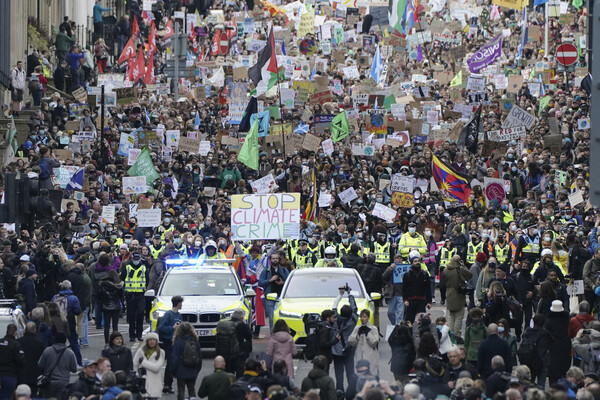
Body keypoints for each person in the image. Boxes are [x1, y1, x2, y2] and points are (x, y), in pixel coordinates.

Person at [331, 287, 358, 392]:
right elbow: (354, 307)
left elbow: (334, 306)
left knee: (339, 373)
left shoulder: (335, 320)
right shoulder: (353, 321)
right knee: (350, 372)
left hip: (336, 350)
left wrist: (340, 295)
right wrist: (349, 294)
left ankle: (339, 391)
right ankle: (351, 391)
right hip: (349, 349)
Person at [38, 331, 77, 400]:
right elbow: (74, 369)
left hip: (49, 382)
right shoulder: (70, 353)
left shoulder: (47, 351)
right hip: (63, 382)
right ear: (65, 341)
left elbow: (40, 365)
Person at [51, 279, 82, 365]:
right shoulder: (73, 298)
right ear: (70, 287)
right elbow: (77, 311)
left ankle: (56, 362)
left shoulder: (55, 297)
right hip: (69, 322)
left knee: (57, 343)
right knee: (74, 343)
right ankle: (78, 362)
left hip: (57, 323)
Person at [169, 322, 202, 400]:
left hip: (181, 371)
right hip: (193, 369)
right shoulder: (195, 342)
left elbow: (174, 358)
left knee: (181, 390)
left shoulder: (178, 342)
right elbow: (200, 357)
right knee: (191, 390)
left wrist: (172, 371)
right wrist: (197, 369)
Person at [157, 295, 183, 394]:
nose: (182, 305)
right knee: (170, 364)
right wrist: (172, 328)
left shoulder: (179, 315)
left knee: (174, 364)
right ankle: (167, 384)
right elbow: (161, 328)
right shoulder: (168, 314)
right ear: (178, 303)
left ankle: (169, 384)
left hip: (177, 342)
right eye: (181, 303)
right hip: (168, 342)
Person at [258, 251, 288, 331]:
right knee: (271, 318)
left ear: (279, 259)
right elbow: (260, 283)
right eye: (273, 258)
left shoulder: (284, 270)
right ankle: (273, 336)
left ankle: (283, 334)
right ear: (270, 260)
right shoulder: (266, 271)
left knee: (282, 318)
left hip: (281, 297)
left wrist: (283, 282)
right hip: (270, 297)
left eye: (276, 258)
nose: (275, 260)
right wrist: (270, 280)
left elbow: (289, 282)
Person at [444, 255, 473, 339]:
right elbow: (469, 275)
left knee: (451, 316)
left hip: (449, 293)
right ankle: (457, 335)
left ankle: (450, 334)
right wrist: (463, 265)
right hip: (458, 293)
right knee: (459, 316)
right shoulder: (459, 269)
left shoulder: (446, 270)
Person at [120, 251, 147, 342]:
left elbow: (147, 280)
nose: (136, 261)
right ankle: (132, 335)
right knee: (131, 316)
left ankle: (139, 334)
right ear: (132, 259)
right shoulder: (127, 268)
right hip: (130, 295)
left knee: (140, 315)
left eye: (137, 259)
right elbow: (122, 279)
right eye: (134, 259)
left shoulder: (143, 268)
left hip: (140, 295)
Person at [215, 309, 250, 377]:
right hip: (238, 353)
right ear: (242, 317)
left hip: (225, 353)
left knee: (228, 373)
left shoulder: (226, 325)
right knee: (240, 373)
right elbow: (249, 337)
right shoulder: (241, 325)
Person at [545, 299, 572, 385]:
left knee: (553, 369)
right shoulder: (567, 319)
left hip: (552, 345)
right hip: (565, 344)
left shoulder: (548, 320)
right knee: (564, 367)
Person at [133, 332, 165, 399]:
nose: (152, 342)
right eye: (150, 340)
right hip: (143, 382)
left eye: (154, 340)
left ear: (156, 341)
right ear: (147, 341)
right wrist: (137, 375)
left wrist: (143, 362)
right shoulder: (140, 351)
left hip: (155, 383)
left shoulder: (161, 352)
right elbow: (135, 364)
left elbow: (156, 368)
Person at [349, 309, 380, 377]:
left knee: (372, 375)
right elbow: (351, 342)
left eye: (364, 316)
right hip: (359, 355)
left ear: (368, 317)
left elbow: (374, 342)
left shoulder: (373, 328)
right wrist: (357, 335)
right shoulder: (357, 328)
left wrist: (368, 333)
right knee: (359, 376)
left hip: (371, 356)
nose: (362, 319)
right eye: (361, 317)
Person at [16, 322, 45, 396]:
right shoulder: (40, 344)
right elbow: (42, 360)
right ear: (35, 330)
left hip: (20, 374)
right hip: (34, 376)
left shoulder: (18, 342)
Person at [402, 251, 432, 323]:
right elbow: (404, 289)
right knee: (409, 320)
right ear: (412, 263)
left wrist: (429, 302)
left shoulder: (424, 274)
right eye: (415, 261)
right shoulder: (407, 275)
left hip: (421, 301)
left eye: (418, 261)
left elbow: (428, 289)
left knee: (421, 321)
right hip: (410, 301)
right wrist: (405, 300)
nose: (417, 262)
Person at [97, 269, 124, 344]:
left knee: (106, 326)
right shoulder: (119, 285)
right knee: (115, 326)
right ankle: (115, 341)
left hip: (106, 306)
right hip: (116, 306)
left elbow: (99, 296)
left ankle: (107, 342)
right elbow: (121, 296)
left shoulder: (103, 284)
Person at [382, 253, 410, 325]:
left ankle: (398, 328)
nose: (399, 259)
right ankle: (395, 325)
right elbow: (383, 277)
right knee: (390, 313)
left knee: (400, 314)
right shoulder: (391, 268)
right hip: (392, 294)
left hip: (401, 294)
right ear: (394, 260)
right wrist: (390, 269)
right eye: (397, 258)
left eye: (400, 258)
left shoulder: (405, 268)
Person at [0, 324, 24, 399]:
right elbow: (21, 361)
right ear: (15, 333)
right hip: (10, 375)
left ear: (6, 331)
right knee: (8, 396)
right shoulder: (16, 345)